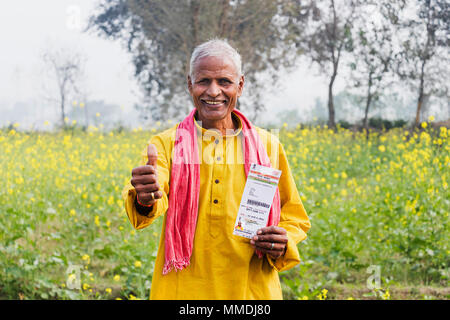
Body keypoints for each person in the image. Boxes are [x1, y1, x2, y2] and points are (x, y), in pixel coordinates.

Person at [122, 39, 311, 300]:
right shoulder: (166, 144)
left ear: (240, 86)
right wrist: (145, 197)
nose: (213, 91)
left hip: (250, 290)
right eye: (203, 81)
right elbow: (151, 200)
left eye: (224, 81)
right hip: (183, 290)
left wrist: (283, 239)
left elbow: (294, 216)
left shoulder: (268, 146)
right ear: (190, 84)